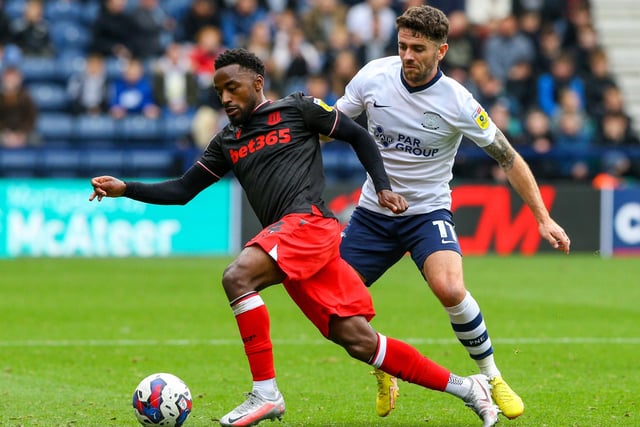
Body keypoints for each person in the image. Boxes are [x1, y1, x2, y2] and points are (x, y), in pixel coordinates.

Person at [89, 48, 501, 427]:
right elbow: (181, 190)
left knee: (238, 277)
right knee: (359, 341)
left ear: (256, 83)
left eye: (232, 88)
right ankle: (469, 387)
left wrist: (384, 185)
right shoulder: (227, 141)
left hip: (309, 224)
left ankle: (265, 393)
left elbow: (358, 134)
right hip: (292, 244)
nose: (226, 98)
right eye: (219, 92)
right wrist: (126, 188)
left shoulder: (298, 109)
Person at [335, 5, 571, 421]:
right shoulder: (373, 75)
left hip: (427, 213)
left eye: (418, 48)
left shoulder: (458, 102)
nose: (407, 56)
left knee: (449, 287)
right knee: (336, 308)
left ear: (441, 51)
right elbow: (333, 121)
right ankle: (384, 366)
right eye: (403, 46)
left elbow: (508, 158)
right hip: (374, 212)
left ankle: (491, 376)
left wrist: (542, 217)